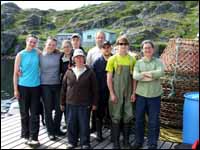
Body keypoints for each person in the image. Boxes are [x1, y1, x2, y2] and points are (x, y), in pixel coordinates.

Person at [60, 49, 98, 149]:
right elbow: (63, 88)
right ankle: (72, 142)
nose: (79, 59)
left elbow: (95, 89)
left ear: (84, 59)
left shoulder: (90, 72)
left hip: (85, 104)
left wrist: (94, 103)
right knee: (71, 123)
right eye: (77, 57)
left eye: (81, 57)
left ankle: (85, 142)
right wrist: (62, 103)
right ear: (74, 59)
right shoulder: (69, 72)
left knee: (84, 124)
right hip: (70, 103)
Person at [132, 40, 164, 149]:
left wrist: (144, 75)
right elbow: (135, 76)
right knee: (139, 120)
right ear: (142, 50)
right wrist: (151, 76)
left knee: (153, 120)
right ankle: (138, 142)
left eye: (149, 48)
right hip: (141, 96)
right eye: (145, 48)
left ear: (153, 49)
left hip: (155, 96)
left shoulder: (158, 62)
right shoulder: (138, 63)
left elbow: (161, 72)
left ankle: (152, 143)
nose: (147, 50)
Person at [106, 36, 137, 149]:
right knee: (116, 116)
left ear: (128, 46)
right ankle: (116, 142)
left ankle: (126, 141)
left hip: (128, 93)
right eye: (120, 44)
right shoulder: (112, 59)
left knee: (128, 115)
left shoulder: (132, 59)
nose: (123, 46)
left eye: (125, 44)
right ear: (117, 46)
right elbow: (109, 78)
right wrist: (112, 94)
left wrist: (134, 93)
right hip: (116, 93)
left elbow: (134, 78)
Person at [13, 34, 41, 147]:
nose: (32, 44)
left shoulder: (37, 53)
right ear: (26, 41)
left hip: (36, 87)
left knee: (35, 113)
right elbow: (15, 74)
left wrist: (36, 48)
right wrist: (15, 90)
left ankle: (34, 137)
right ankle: (25, 135)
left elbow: (46, 52)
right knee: (24, 113)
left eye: (34, 42)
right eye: (31, 42)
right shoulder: (20, 55)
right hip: (23, 87)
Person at [40, 37, 65, 141]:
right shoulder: (40, 55)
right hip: (45, 85)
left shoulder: (59, 55)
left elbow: (68, 54)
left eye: (54, 45)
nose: (51, 46)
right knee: (48, 109)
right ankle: (50, 132)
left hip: (57, 85)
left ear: (56, 46)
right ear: (46, 44)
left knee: (59, 108)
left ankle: (56, 128)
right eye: (50, 44)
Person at [92, 41, 112, 142]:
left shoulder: (115, 60)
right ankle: (99, 134)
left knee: (113, 114)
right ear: (101, 49)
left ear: (111, 48)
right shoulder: (96, 62)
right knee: (99, 114)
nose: (106, 49)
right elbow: (92, 79)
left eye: (108, 47)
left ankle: (114, 135)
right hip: (100, 93)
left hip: (113, 92)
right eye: (104, 47)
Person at [86, 31, 106, 133]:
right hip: (93, 84)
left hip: (105, 84)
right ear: (95, 39)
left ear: (104, 38)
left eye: (102, 37)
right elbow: (88, 66)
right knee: (94, 105)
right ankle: (93, 127)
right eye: (98, 37)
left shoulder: (108, 51)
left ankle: (102, 128)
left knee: (103, 107)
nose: (100, 39)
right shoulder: (91, 51)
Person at [60, 40, 73, 129]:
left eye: (68, 46)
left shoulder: (75, 57)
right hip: (64, 85)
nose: (66, 49)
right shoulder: (61, 57)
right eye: (64, 47)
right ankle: (68, 125)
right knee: (64, 105)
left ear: (71, 47)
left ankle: (73, 126)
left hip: (73, 86)